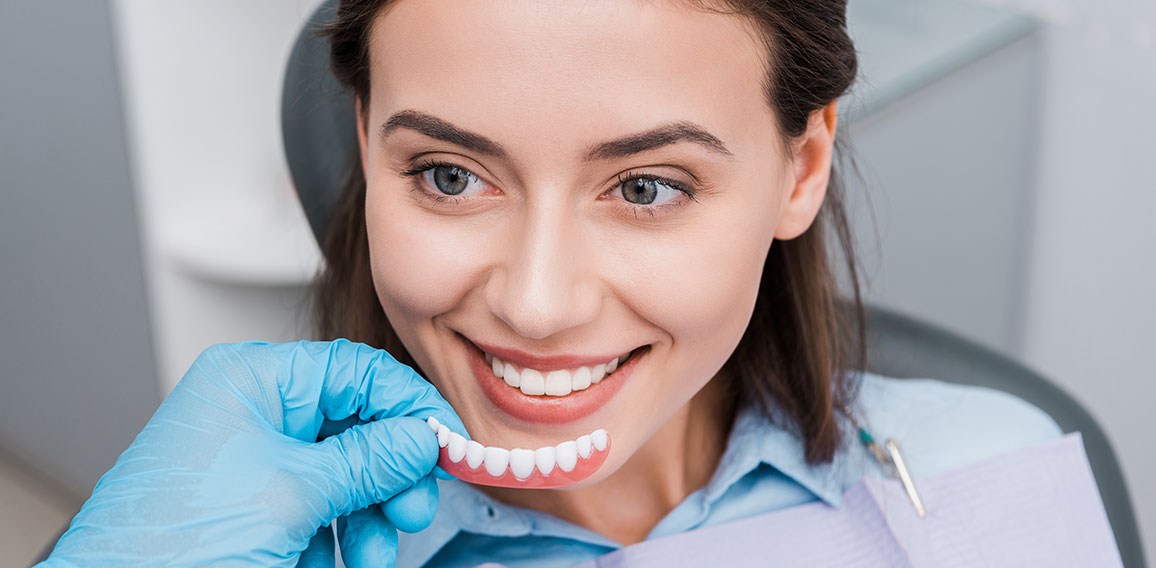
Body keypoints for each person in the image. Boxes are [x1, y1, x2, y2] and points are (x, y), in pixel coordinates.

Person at [38, 0, 1063, 566]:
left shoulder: (992, 477)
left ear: (798, 169)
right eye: (449, 176)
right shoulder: (243, 539)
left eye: (647, 186)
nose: (534, 302)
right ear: (363, 142)